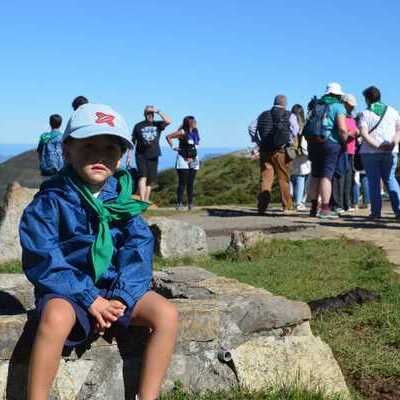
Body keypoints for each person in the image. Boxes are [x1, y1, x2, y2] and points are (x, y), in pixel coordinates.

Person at [20, 103, 178, 400]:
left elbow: (138, 249)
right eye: (88, 145)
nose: (99, 156)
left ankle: (148, 396)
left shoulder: (122, 201)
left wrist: (121, 297)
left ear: (121, 158)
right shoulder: (51, 200)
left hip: (115, 286)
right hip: (68, 289)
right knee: (55, 317)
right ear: (67, 151)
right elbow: (43, 256)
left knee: (166, 314)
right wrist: (89, 297)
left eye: (110, 148)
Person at [306, 82, 348, 219]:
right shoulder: (338, 106)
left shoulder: (316, 104)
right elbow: (342, 128)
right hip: (330, 142)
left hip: (313, 142)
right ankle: (325, 208)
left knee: (315, 174)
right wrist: (344, 141)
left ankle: (313, 207)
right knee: (326, 175)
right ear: (338, 95)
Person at [359, 86, 400, 219]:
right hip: (391, 151)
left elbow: (364, 134)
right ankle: (398, 210)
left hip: (370, 152)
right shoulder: (393, 111)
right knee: (391, 179)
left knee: (374, 181)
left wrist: (378, 145)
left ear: (367, 99)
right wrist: (393, 143)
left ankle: (376, 213)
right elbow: (399, 130)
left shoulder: (365, 114)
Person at [252, 95, 293, 213]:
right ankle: (287, 206)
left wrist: (258, 141)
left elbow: (252, 127)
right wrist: (289, 142)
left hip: (265, 150)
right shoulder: (290, 115)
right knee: (283, 178)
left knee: (266, 178)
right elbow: (294, 130)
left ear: (274, 102)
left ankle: (262, 207)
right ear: (285, 103)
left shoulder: (263, 114)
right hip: (281, 151)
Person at [132, 106, 172, 203]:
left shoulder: (157, 124)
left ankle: (145, 201)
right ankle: (142, 200)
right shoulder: (138, 126)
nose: (150, 115)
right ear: (145, 114)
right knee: (142, 176)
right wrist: (129, 154)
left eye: (152, 113)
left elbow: (169, 121)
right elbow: (133, 141)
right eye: (148, 113)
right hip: (140, 154)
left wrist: (158, 111)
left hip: (154, 154)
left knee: (150, 181)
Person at [166, 116, 200, 211]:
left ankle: (190, 203)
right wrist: (173, 147)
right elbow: (168, 137)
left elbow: (196, 144)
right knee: (182, 183)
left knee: (191, 183)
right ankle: (179, 203)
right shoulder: (182, 132)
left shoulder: (195, 131)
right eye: (192, 121)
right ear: (188, 123)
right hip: (183, 159)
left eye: (195, 120)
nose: (195, 122)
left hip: (193, 159)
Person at [289, 104, 311, 211]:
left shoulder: (289, 122)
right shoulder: (305, 124)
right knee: (302, 177)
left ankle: (294, 198)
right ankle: (299, 202)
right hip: (304, 153)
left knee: (293, 177)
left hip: (292, 152)